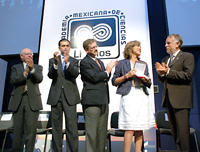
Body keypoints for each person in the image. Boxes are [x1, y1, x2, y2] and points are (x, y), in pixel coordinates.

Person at [112, 40, 155, 152]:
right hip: (129, 95)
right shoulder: (122, 63)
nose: (139, 48)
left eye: (140, 46)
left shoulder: (143, 64)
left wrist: (146, 80)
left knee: (140, 128)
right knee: (130, 128)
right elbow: (114, 81)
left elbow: (149, 84)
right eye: (137, 46)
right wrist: (127, 75)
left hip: (141, 95)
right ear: (130, 48)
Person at [155, 34, 195, 152]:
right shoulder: (165, 60)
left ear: (177, 44)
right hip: (169, 100)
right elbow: (163, 79)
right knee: (175, 132)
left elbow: (188, 76)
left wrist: (168, 72)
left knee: (183, 133)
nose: (165, 45)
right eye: (166, 43)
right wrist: (161, 73)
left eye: (168, 43)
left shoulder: (187, 57)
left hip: (181, 100)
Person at [80, 39, 118, 152]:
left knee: (102, 133)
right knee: (92, 133)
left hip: (103, 100)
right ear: (86, 50)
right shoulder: (84, 62)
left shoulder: (100, 62)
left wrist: (108, 72)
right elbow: (94, 77)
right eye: (92, 48)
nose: (96, 49)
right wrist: (107, 71)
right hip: (92, 101)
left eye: (96, 46)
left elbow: (104, 78)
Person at [47, 39, 80, 152]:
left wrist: (67, 63)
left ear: (70, 47)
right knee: (56, 127)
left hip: (69, 97)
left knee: (71, 127)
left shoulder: (74, 61)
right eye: (63, 46)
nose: (65, 47)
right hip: (56, 96)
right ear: (59, 48)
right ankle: (57, 150)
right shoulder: (53, 60)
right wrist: (56, 64)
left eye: (67, 46)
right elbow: (51, 75)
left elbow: (75, 74)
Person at [8, 48, 43, 152]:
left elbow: (39, 79)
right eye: (27, 54)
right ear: (21, 56)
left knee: (31, 130)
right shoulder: (15, 67)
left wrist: (31, 69)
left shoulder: (37, 67)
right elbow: (14, 80)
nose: (29, 56)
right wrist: (25, 72)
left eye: (31, 54)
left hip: (32, 100)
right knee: (17, 130)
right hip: (18, 100)